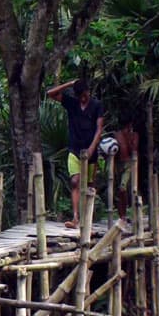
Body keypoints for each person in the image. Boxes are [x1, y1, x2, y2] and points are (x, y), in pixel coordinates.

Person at [46, 77, 104, 228]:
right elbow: (50, 94)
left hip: (90, 149)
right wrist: (70, 83)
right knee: (75, 181)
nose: (83, 99)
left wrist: (92, 148)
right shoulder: (72, 103)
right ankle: (75, 217)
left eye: (85, 95)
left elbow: (99, 129)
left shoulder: (96, 105)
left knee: (90, 184)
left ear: (88, 92)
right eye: (80, 96)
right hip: (74, 148)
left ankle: (88, 217)